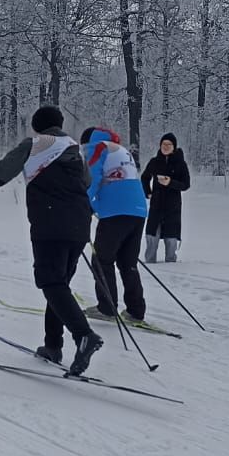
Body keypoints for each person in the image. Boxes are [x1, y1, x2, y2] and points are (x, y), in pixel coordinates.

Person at [0, 105, 103, 377]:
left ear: (37, 125)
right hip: (80, 222)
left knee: (51, 282)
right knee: (59, 285)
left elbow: (0, 174)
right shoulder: (73, 147)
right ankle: (53, 345)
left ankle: (84, 336)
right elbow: (87, 182)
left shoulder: (35, 144)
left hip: (51, 222)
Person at [80, 126, 148, 323]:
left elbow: (91, 180)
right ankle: (136, 310)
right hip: (138, 209)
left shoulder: (97, 147)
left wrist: (83, 205)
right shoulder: (120, 150)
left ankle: (107, 308)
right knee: (128, 263)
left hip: (116, 210)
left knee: (101, 260)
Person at [141, 133, 191, 263]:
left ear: (174, 147)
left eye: (169, 144)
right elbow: (144, 177)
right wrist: (148, 192)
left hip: (172, 205)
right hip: (156, 203)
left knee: (171, 237)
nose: (166, 146)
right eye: (164, 144)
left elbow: (186, 184)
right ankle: (150, 263)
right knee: (152, 234)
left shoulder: (180, 164)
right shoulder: (154, 161)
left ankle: (171, 263)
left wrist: (170, 183)